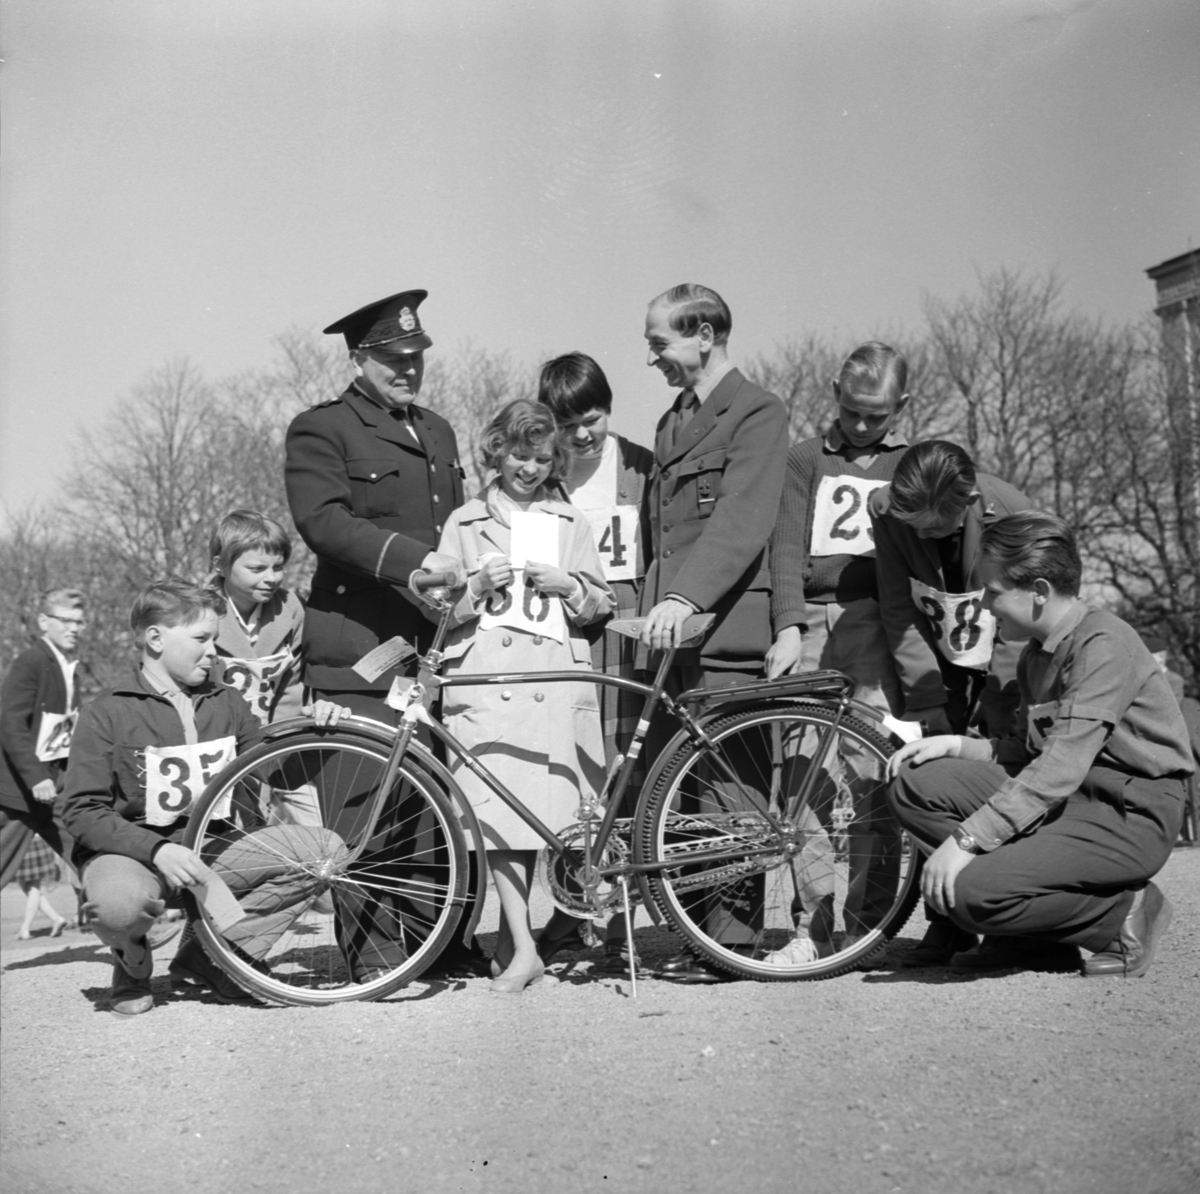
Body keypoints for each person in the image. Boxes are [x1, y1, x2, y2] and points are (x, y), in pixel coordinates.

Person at [886, 512, 1191, 977]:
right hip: (1071, 797)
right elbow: (1033, 755)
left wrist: (966, 841)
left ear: (1040, 591)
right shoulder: (1037, 652)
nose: (985, 604)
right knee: (915, 784)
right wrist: (958, 746)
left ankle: (1124, 914)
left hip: (1129, 813)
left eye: (994, 592)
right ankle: (1028, 942)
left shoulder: (1103, 643)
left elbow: (1061, 765)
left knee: (971, 892)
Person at [285, 288, 486, 981]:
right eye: (394, 358)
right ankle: (376, 956)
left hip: (431, 649)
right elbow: (324, 523)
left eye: (417, 356)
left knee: (430, 804)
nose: (409, 368)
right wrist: (412, 560)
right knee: (366, 803)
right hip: (358, 649)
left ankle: (443, 942)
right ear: (360, 358)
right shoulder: (322, 430)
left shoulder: (438, 431)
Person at [59, 580, 348, 1016]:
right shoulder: (106, 712)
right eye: (201, 639)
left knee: (327, 852)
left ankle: (210, 958)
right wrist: (157, 850)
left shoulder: (228, 703)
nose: (214, 651)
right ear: (155, 638)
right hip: (139, 857)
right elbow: (80, 811)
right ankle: (132, 963)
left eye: (215, 639)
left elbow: (274, 767)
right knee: (118, 906)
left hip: (220, 853)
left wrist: (319, 729)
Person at [429, 399, 613, 994]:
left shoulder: (572, 522)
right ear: (496, 452)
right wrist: (474, 586)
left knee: (541, 810)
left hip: (551, 676)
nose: (529, 469)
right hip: (487, 679)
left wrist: (572, 587)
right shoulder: (462, 521)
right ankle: (524, 945)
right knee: (496, 810)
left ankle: (518, 938)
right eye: (517, 455)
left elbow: (602, 604)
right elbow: (438, 605)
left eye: (540, 458)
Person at [639, 283, 789, 982]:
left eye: (660, 343)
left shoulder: (756, 411)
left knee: (731, 790)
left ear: (703, 333)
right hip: (672, 631)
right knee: (682, 788)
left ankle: (734, 942)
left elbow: (740, 520)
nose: (654, 359)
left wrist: (681, 595)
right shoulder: (674, 420)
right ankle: (702, 934)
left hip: (724, 626)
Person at [762, 342, 911, 966]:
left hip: (876, 626)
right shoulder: (803, 461)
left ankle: (871, 925)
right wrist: (789, 626)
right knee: (804, 776)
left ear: (901, 408)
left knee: (873, 774)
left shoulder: (908, 466)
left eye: (876, 417)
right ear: (833, 393)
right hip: (814, 629)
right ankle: (812, 925)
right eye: (852, 412)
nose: (861, 427)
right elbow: (787, 551)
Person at [535, 350, 653, 973]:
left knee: (626, 776)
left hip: (629, 638)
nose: (583, 434)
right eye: (568, 423)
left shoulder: (642, 467)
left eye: (594, 417)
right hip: (569, 640)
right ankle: (570, 913)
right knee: (573, 777)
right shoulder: (540, 476)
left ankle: (621, 916)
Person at [869, 440, 1032, 743]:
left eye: (931, 528)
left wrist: (999, 695)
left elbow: (1022, 617)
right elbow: (899, 607)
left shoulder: (1013, 510)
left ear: (967, 503)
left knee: (1004, 747)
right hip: (938, 652)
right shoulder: (886, 509)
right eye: (911, 525)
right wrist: (925, 698)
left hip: (1007, 653)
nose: (918, 535)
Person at [0, 588, 86, 903]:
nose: (74, 628)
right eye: (65, 620)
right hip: (20, 793)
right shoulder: (31, 661)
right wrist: (36, 777)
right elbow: (10, 726)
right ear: (43, 621)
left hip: (57, 792)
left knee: (91, 856)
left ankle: (127, 938)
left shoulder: (69, 666)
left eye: (79, 622)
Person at [208, 509, 305, 727]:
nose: (271, 578)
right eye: (257, 569)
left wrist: (276, 745)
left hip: (268, 744)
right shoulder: (195, 610)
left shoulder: (291, 609)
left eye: (278, 567)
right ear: (220, 565)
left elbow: (291, 689)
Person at [14, 831, 69, 939]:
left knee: (32, 886)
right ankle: (56, 919)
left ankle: (25, 928)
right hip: (32, 840)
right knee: (27, 886)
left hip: (28, 841)